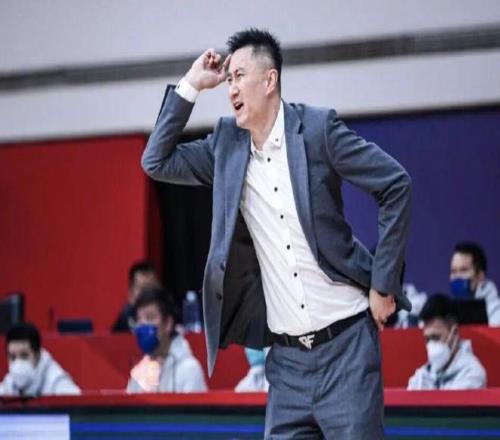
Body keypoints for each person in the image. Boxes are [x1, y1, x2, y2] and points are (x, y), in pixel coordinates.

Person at [141, 28, 412, 439]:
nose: (231, 87)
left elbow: (396, 185)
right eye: (228, 80)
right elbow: (156, 161)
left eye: (239, 76)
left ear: (270, 80)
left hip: (348, 349)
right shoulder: (226, 147)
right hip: (286, 362)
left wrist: (383, 282)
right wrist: (192, 83)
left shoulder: (318, 130)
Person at [126, 287, 207, 393]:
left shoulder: (189, 370)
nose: (143, 325)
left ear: (168, 323)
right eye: (139, 319)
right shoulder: (140, 372)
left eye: (150, 318)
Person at [408, 294, 486, 390]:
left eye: (436, 338)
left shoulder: (473, 374)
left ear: (454, 333)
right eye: (427, 339)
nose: (430, 345)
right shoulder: (421, 376)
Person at [0, 322, 81, 396]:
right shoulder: (9, 382)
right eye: (13, 357)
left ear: (37, 355)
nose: (18, 363)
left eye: (24, 356)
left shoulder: (57, 382)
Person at [450, 241, 500, 326]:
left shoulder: (497, 312)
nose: (457, 277)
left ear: (480, 275)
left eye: (463, 270)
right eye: (453, 271)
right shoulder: (448, 313)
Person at [112, 260, 160, 332]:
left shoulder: (166, 314)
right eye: (142, 288)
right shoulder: (125, 318)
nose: (147, 293)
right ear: (131, 292)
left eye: (151, 287)